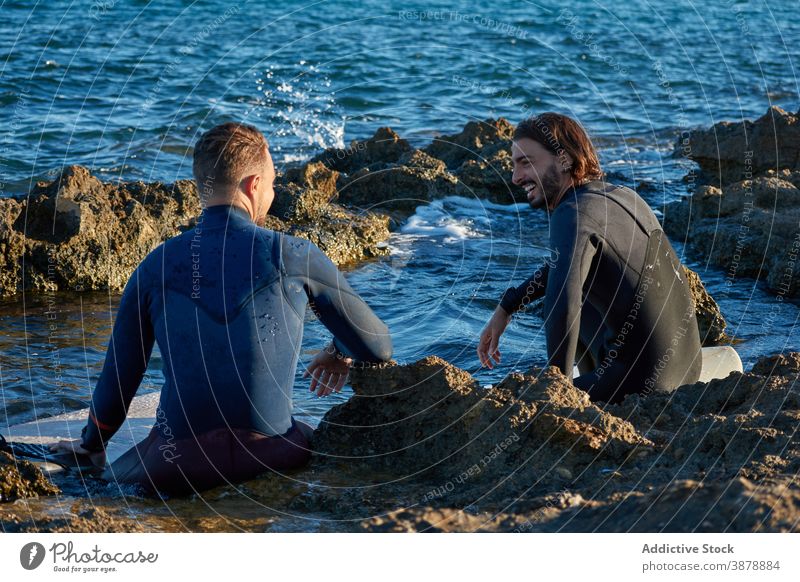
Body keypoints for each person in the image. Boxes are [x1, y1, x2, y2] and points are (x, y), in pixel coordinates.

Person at [51, 122, 392, 495]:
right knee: (307, 432)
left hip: (177, 464)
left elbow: (119, 378)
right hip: (274, 452)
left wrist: (91, 446)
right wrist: (336, 352)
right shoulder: (293, 254)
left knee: (99, 476)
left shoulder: (156, 265)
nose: (273, 192)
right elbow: (376, 345)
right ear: (254, 185)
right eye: (273, 183)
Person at [477, 113, 701, 404]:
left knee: (556, 307)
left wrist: (556, 391)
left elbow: (563, 301)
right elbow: (562, 267)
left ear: (564, 160)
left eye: (526, 162)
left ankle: (587, 388)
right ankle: (592, 377)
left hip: (645, 386)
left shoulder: (571, 213)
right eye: (514, 165)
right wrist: (507, 307)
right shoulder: (623, 195)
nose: (515, 177)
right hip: (689, 368)